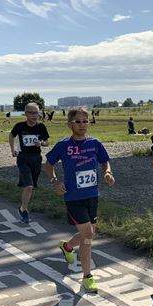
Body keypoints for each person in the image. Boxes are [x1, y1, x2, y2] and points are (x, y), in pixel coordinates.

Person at [44, 107, 115, 293]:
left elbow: (105, 161)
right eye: (78, 121)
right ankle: (87, 276)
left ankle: (67, 247)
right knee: (88, 235)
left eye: (85, 121)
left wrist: (107, 172)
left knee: (89, 233)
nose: (82, 125)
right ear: (70, 124)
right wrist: (55, 182)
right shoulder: (63, 146)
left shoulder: (94, 143)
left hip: (92, 196)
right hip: (73, 197)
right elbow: (48, 164)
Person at [9, 103, 50, 223]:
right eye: (31, 113)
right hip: (23, 158)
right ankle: (24, 210)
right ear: (26, 114)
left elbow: (47, 142)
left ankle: (23, 206)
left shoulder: (41, 127)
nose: (34, 115)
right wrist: (12, 149)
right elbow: (11, 135)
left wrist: (41, 143)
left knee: (32, 187)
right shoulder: (20, 126)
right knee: (29, 186)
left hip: (36, 159)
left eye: (36, 113)